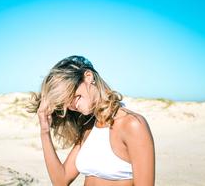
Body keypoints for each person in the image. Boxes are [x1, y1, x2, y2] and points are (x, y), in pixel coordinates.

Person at [27, 55, 155, 186]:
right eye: (62, 102)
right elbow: (60, 181)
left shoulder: (132, 124)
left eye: (70, 94)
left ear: (88, 76)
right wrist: (44, 130)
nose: (69, 105)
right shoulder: (88, 126)